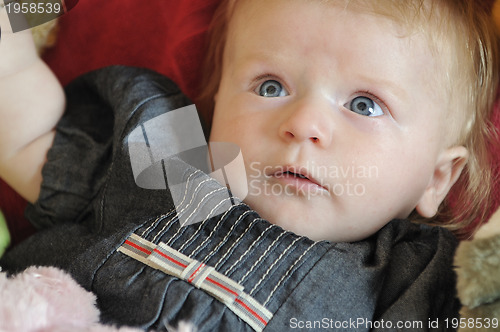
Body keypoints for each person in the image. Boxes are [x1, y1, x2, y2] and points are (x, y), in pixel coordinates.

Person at [0, 0, 498, 331]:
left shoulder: (410, 280)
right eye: (269, 87)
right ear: (217, 108)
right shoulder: (172, 161)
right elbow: (20, 126)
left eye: (364, 105)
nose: (303, 124)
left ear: (436, 178)